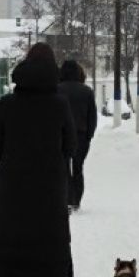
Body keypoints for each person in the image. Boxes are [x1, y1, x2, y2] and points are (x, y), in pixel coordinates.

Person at [0, 43, 76, 277]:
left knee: (11, 256)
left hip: (12, 195)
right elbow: (70, 147)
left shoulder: (8, 104)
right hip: (49, 195)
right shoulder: (60, 105)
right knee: (46, 259)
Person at [58, 59, 97, 212]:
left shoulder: (57, 90)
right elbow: (92, 117)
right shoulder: (87, 91)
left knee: (65, 167)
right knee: (78, 168)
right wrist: (89, 135)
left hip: (62, 135)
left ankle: (67, 198)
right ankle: (76, 200)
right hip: (81, 136)